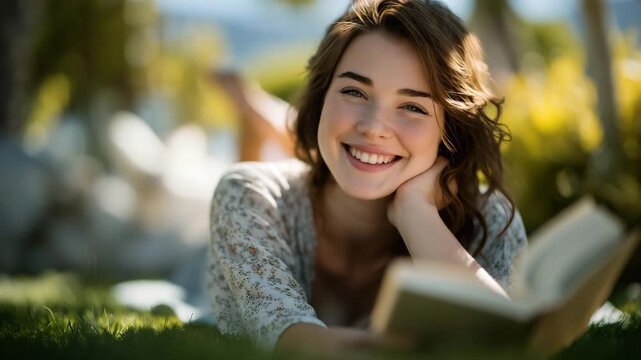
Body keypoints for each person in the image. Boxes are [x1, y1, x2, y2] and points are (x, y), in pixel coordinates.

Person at [207, 0, 527, 354]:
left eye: (413, 107)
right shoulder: (250, 197)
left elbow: (512, 342)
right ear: (322, 96)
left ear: (450, 130)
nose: (374, 127)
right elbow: (301, 347)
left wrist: (415, 213)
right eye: (354, 92)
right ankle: (258, 116)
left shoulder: (489, 217)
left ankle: (259, 114)